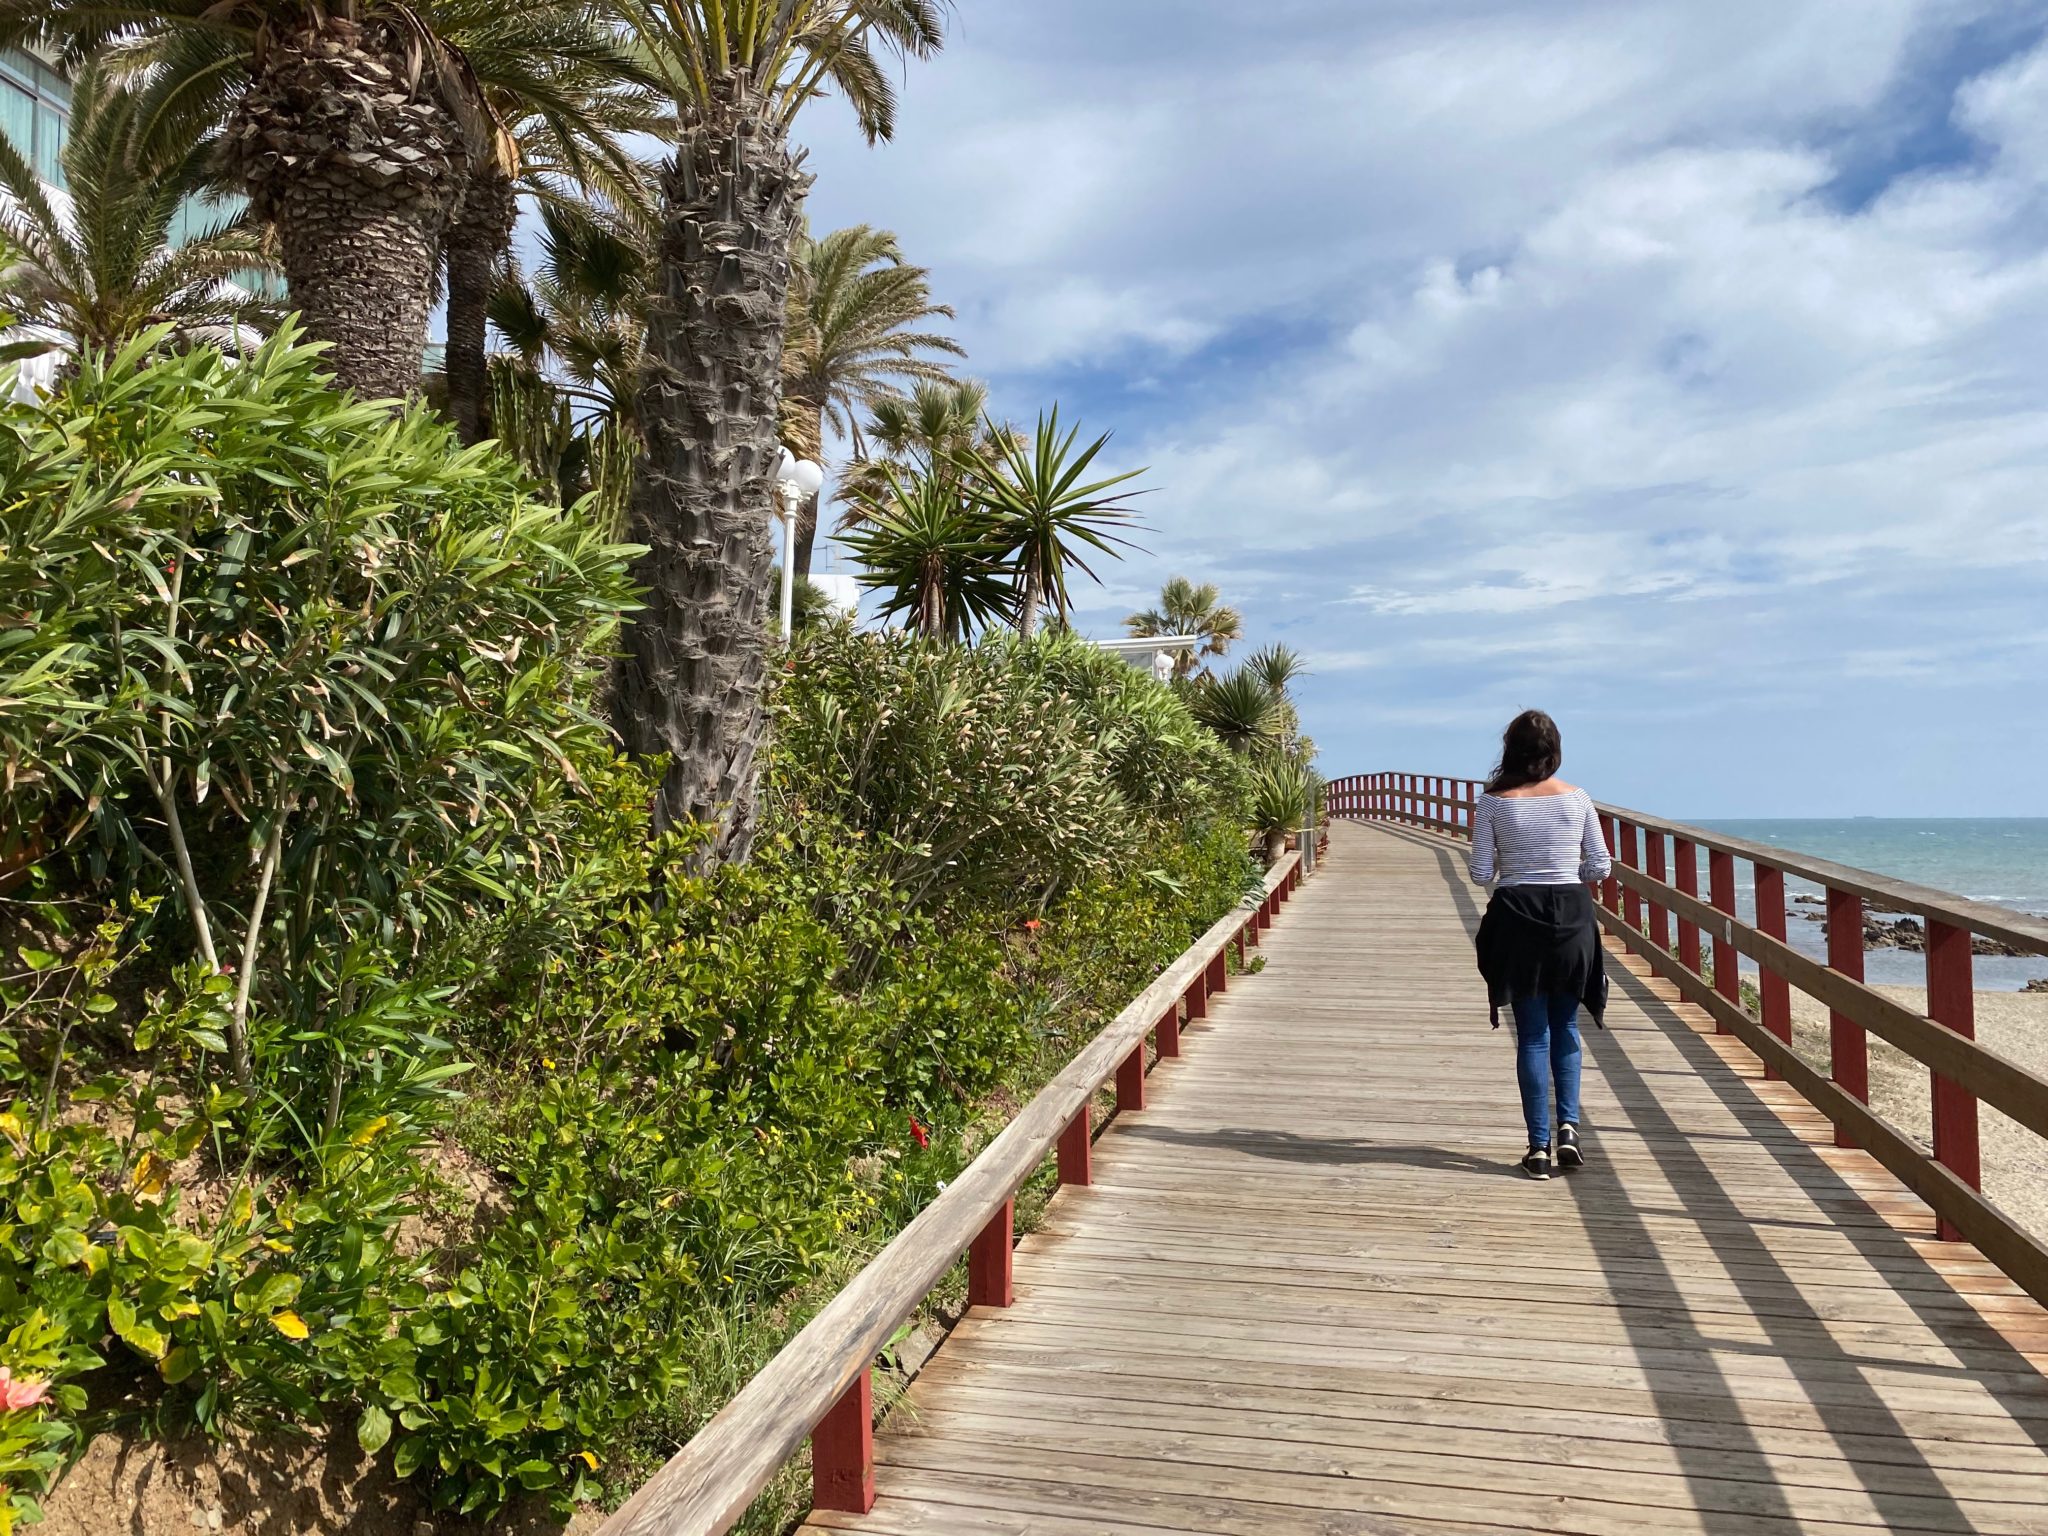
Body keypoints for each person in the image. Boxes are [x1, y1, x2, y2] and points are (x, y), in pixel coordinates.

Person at [1469, 710, 1612, 1180]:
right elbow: (1600, 866)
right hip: (1571, 914)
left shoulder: (1492, 803)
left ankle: (1537, 1147)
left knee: (1532, 1034)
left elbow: (1480, 873)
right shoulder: (1578, 799)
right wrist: (1563, 871)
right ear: (1554, 750)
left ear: (1510, 749)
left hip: (1518, 916)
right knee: (1566, 1025)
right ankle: (1570, 1127)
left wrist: (1518, 867)